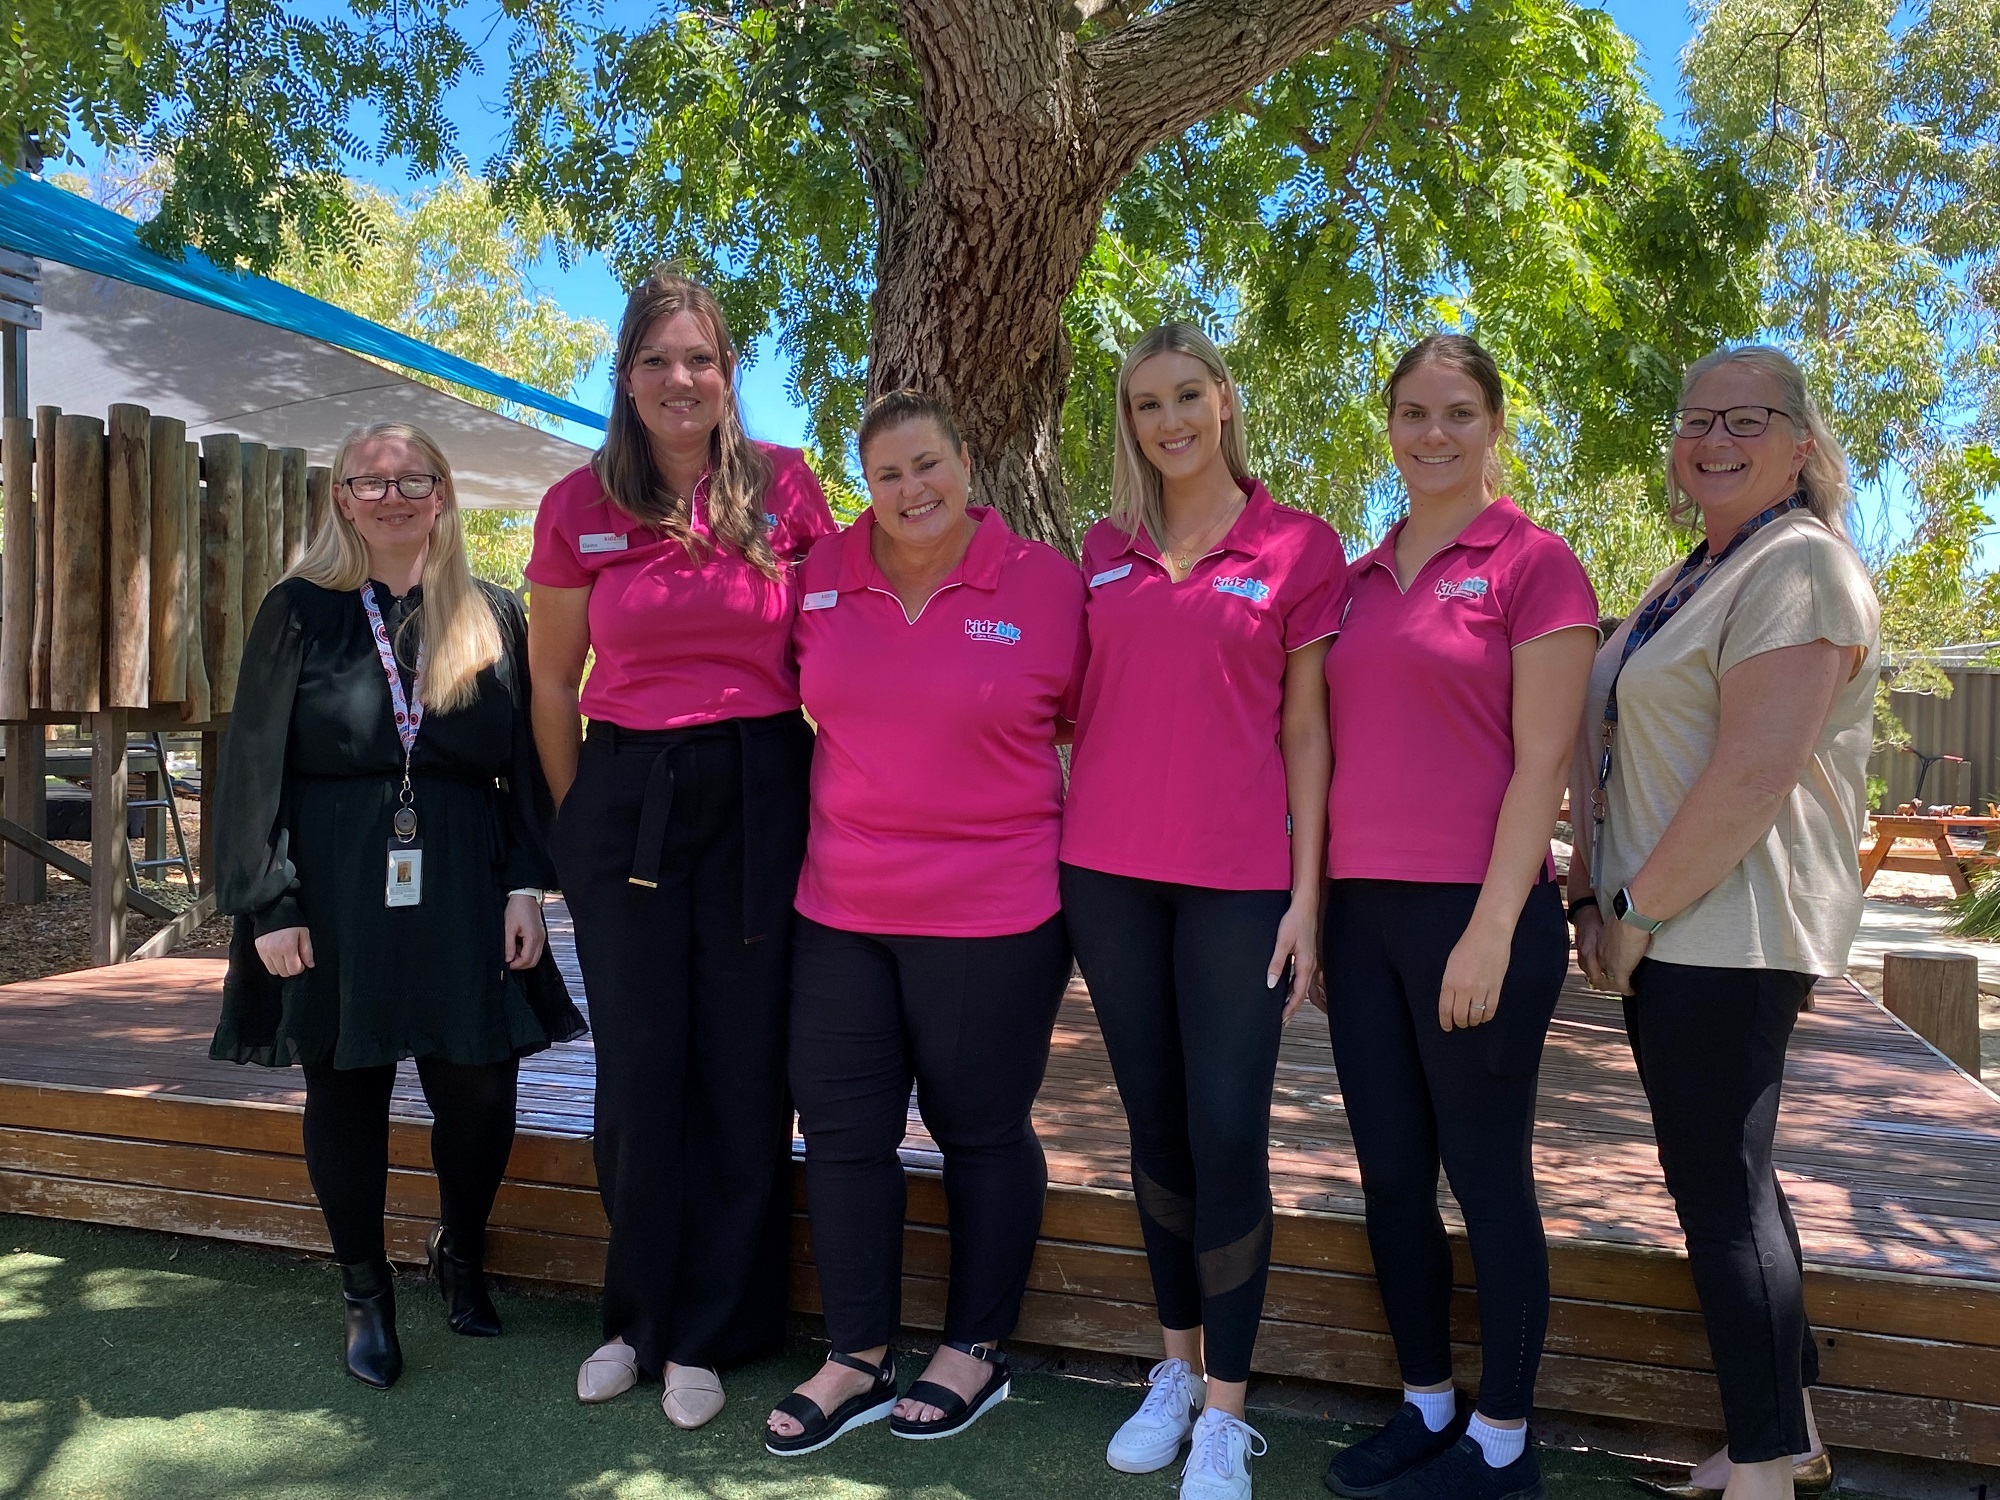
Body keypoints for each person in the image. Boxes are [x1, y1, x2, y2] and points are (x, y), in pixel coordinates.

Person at [211, 421, 584, 1390]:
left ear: (442, 495)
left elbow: (519, 770)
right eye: (369, 481)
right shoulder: (298, 608)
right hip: (332, 881)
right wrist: (269, 902)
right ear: (341, 498)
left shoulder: (491, 612)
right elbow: (253, 761)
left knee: (480, 1081)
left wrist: (523, 885)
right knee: (346, 1083)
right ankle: (365, 1295)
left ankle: (461, 1250)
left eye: (412, 479)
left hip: (463, 870)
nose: (391, 495)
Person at [526, 268, 836, 1429]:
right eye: (657, 359)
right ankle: (633, 1319)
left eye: (700, 358)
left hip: (762, 787)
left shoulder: (788, 488)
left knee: (743, 1067)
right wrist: (575, 823)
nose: (680, 379)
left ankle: (713, 1332)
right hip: (625, 797)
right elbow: (554, 684)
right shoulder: (577, 503)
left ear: (727, 372)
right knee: (642, 1066)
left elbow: (840, 647)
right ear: (625, 376)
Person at [1571, 346, 1876, 1500]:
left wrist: (1635, 912)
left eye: (1745, 418)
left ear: (1800, 444)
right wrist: (1589, 897)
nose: (1712, 438)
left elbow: (1751, 777)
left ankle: (1757, 1468)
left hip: (1725, 932)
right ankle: (1783, 1431)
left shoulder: (1796, 565)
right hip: (1667, 926)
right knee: (1730, 1181)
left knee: (1718, 1193)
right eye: (1692, 417)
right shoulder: (1694, 570)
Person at [763, 391, 1086, 1455]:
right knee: (845, 1134)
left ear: (966, 462)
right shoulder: (817, 580)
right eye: (888, 474)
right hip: (840, 910)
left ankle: (974, 1349)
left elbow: (1104, 729)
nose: (911, 491)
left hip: (995, 918)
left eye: (927, 466)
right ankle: (857, 1352)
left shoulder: (1046, 586)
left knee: (979, 1133)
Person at [1060, 321, 1344, 1500]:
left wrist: (1306, 896)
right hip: (1107, 876)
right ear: (1128, 424)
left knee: (1228, 1134)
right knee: (1157, 1132)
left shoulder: (1298, 546)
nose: (1168, 421)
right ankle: (1172, 1368)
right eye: (1144, 405)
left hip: (1236, 884)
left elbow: (1307, 729)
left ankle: (1226, 1409)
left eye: (1186, 396)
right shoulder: (1098, 549)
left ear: (1223, 402)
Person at [1317, 336, 1599, 1500]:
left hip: (1480, 918)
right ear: (1386, 424)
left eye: (1456, 414)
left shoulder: (1535, 565)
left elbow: (1543, 768)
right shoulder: (1355, 574)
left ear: (1492, 424)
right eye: (1411, 414)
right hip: (1363, 919)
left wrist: (1489, 930)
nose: (1431, 435)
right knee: (1388, 1177)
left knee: (1485, 1180)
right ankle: (1427, 1404)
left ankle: (1502, 1442)